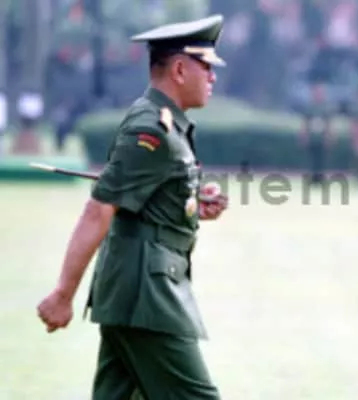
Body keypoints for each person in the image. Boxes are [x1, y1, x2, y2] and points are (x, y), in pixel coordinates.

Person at [36, 15, 229, 400]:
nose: (213, 76)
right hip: (147, 298)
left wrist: (192, 203)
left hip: (138, 293)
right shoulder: (151, 128)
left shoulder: (167, 124)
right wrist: (62, 294)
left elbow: (146, 197)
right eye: (206, 66)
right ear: (179, 69)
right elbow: (99, 210)